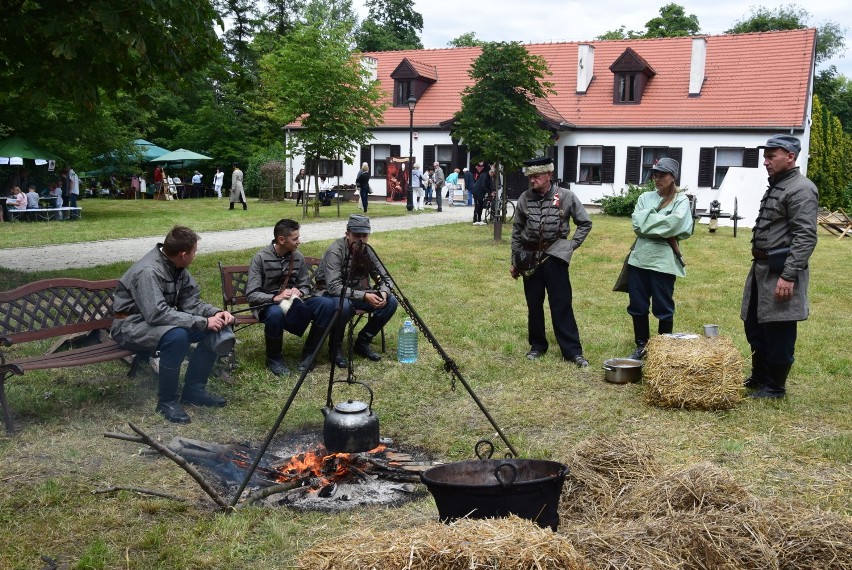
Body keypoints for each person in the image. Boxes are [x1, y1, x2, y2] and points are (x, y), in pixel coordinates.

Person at [110, 226, 235, 423]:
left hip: (157, 323)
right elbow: (156, 313)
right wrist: (202, 322)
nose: (196, 255)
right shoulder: (149, 271)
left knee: (215, 328)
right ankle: (166, 401)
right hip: (129, 325)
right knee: (177, 337)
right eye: (195, 251)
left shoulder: (177, 267)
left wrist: (215, 313)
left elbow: (191, 301)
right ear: (183, 254)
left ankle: (194, 390)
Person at [742, 135, 818, 399]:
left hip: (781, 271)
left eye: (771, 156)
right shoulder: (779, 185)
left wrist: (788, 275)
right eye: (765, 156)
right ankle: (760, 377)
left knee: (779, 328)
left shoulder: (801, 188)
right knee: (755, 324)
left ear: (790, 156)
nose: (766, 162)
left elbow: (805, 236)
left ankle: (775, 386)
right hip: (761, 268)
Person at [510, 156, 592, 368]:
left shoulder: (566, 196)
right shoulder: (524, 198)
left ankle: (572, 352)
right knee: (534, 305)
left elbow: (584, 223)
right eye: (530, 177)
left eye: (536, 176)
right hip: (530, 259)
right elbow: (517, 231)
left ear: (548, 175)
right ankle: (537, 346)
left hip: (555, 259)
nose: (532, 181)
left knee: (561, 304)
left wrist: (571, 245)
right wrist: (515, 261)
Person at [247, 219, 340, 375]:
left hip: (295, 303)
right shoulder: (260, 258)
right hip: (268, 305)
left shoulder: (298, 257)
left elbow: (306, 286)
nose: (299, 242)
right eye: (295, 239)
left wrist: (300, 292)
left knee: (327, 304)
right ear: (281, 240)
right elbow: (252, 294)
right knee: (275, 313)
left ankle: (310, 354)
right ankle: (274, 359)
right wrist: (275, 298)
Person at [624, 157, 694, 360]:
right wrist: (661, 222)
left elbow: (678, 225)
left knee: (663, 307)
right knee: (637, 305)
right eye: (655, 174)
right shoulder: (645, 197)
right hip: (639, 259)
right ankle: (642, 347)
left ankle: (663, 348)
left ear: (673, 177)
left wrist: (649, 220)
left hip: (664, 261)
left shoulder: (680, 200)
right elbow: (637, 225)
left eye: (662, 174)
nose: (657, 178)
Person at [314, 214, 398, 364]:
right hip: (329, 295)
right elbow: (333, 287)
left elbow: (386, 277)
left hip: (356, 294)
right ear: (347, 234)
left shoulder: (367, 250)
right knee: (344, 306)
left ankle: (363, 342)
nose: (361, 239)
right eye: (356, 235)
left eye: (364, 235)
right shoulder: (335, 250)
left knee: (391, 302)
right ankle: (335, 348)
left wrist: (384, 292)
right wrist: (365, 296)